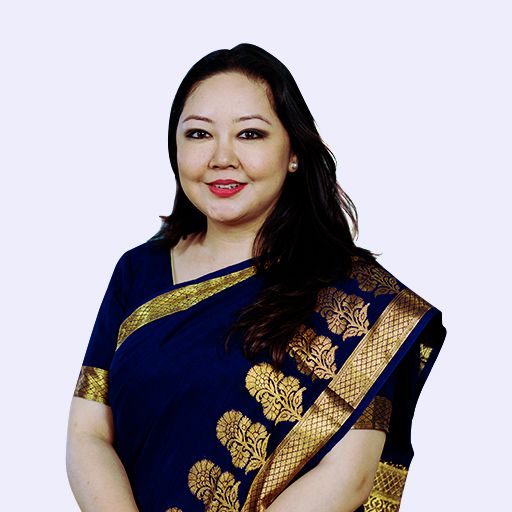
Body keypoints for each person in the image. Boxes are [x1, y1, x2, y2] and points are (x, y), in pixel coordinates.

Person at [66, 43, 447, 512]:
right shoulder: (138, 271)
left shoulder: (355, 300)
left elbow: (349, 477)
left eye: (250, 134)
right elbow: (88, 433)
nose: (221, 157)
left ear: (293, 152)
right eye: (199, 134)